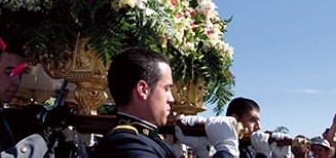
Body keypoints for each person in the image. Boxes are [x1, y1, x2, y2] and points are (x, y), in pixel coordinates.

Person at [90, 47, 241, 158]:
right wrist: (226, 150)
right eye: (167, 89)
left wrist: (204, 150)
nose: (172, 99)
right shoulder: (126, 143)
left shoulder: (144, 139)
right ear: (143, 90)